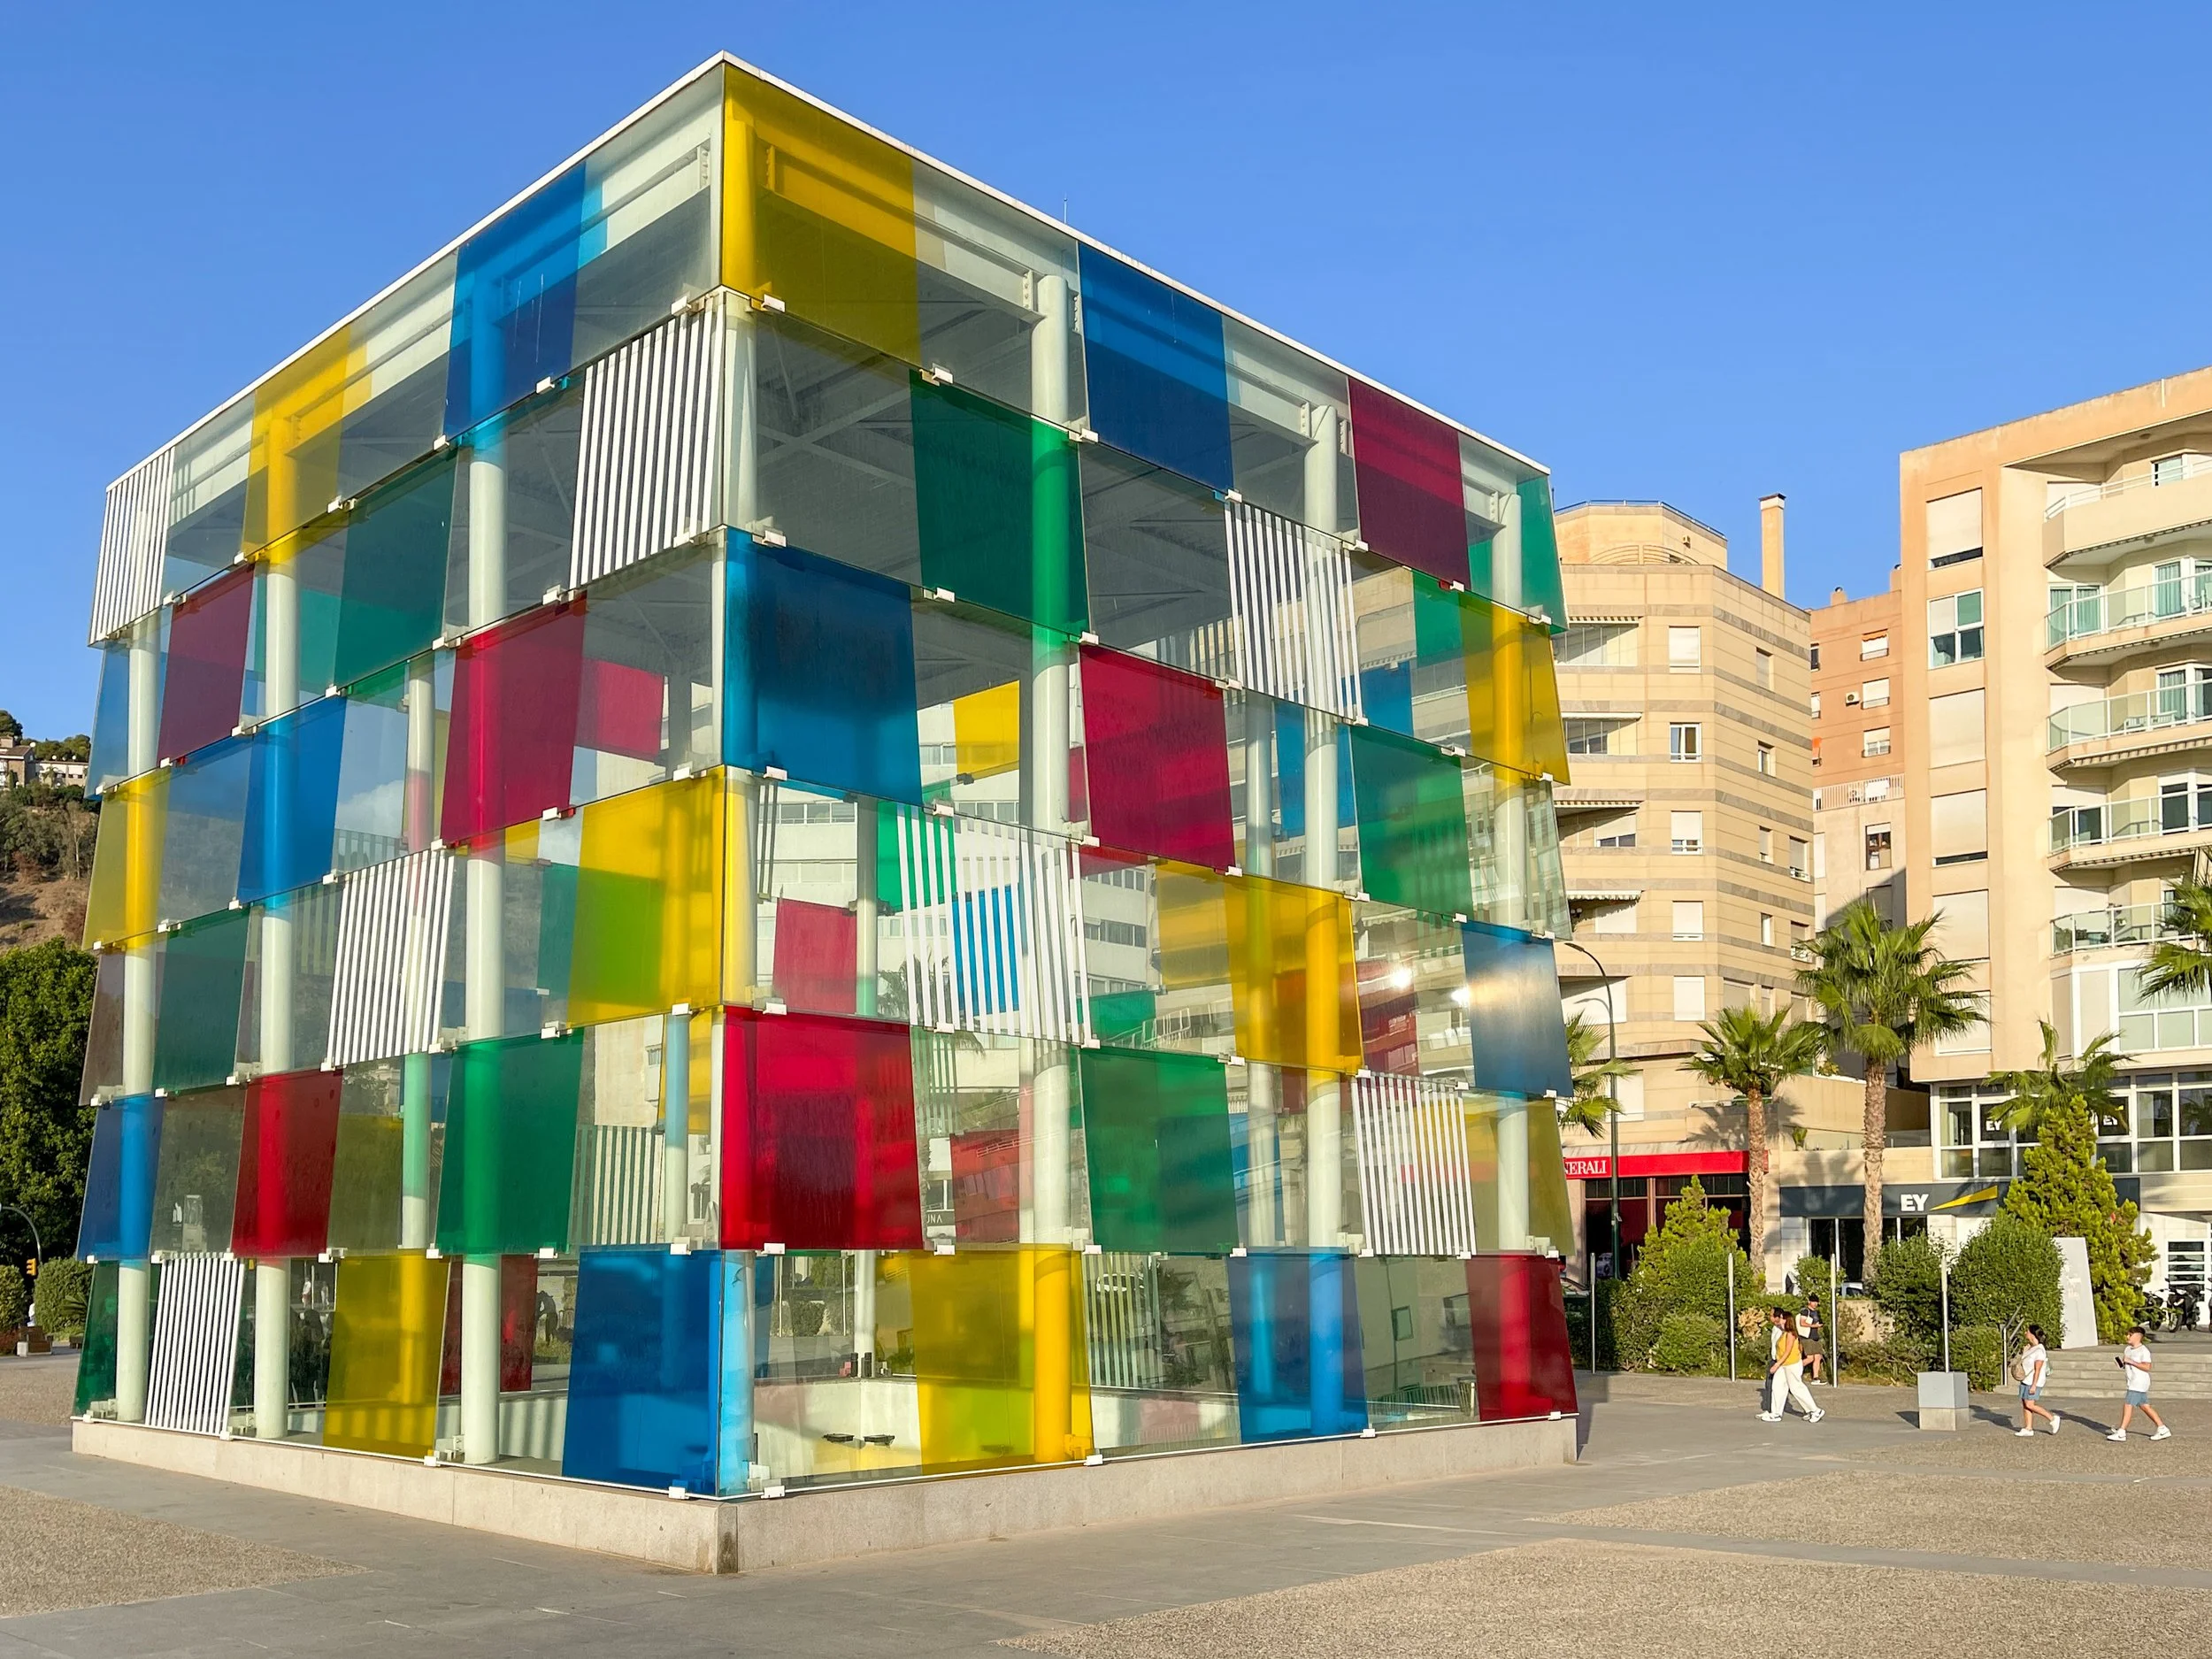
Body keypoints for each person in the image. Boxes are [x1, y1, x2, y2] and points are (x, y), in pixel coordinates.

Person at [2107, 1325, 2171, 1441]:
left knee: (2128, 1404)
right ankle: (2162, 1428)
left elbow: (2147, 1367)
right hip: (2132, 1381)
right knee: (2145, 1406)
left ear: (2138, 1336)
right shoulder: (2127, 1349)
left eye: (2130, 1335)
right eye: (2128, 1334)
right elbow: (2129, 1366)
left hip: (2139, 1382)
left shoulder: (2144, 1351)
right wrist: (2122, 1365)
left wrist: (2131, 1361)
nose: (2127, 1337)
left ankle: (2121, 1432)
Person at [1760, 1306, 1824, 1425]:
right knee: (1777, 1387)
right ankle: (1776, 1413)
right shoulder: (1783, 1333)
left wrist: (1777, 1365)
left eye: (1781, 1318)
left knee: (1796, 1388)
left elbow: (1787, 1352)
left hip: (1791, 1365)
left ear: (1784, 1319)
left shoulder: (1790, 1334)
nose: (1779, 1320)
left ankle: (1815, 1410)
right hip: (1783, 1365)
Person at [2016, 1324, 2059, 1436]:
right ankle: (2028, 1428)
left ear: (2032, 1334)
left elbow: (2038, 1369)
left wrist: (2034, 1385)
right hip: (2026, 1379)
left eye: (2027, 1331)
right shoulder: (2030, 1348)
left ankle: (2052, 1418)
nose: (2025, 1333)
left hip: (2033, 1381)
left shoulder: (2040, 1350)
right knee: (2025, 1404)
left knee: (2030, 1404)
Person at [1800, 1293, 1826, 1385]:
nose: (1815, 1304)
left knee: (1818, 1357)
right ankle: (1794, 1369)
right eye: (1813, 1302)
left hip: (1815, 1337)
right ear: (1809, 1302)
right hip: (1807, 1337)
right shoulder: (1805, 1311)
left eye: (1816, 1302)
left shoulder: (1817, 1312)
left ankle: (1816, 1377)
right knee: (1810, 1358)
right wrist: (1814, 1325)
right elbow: (1802, 1323)